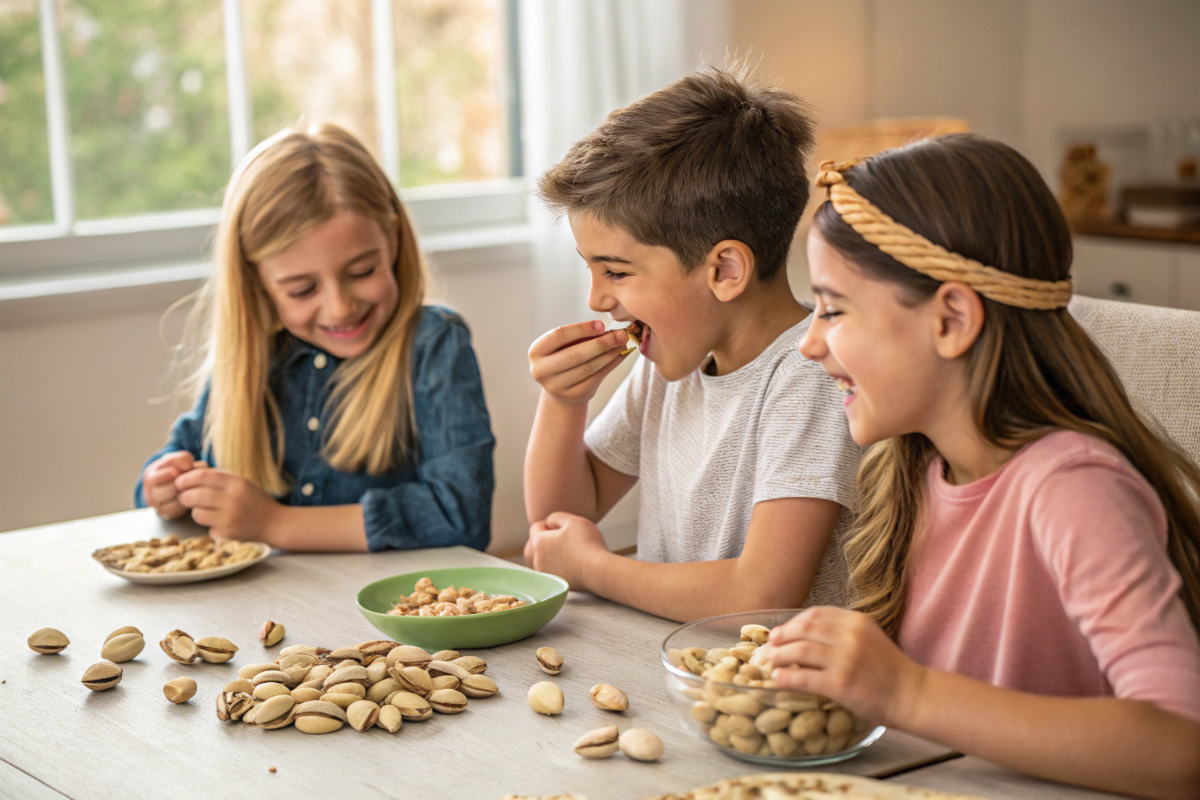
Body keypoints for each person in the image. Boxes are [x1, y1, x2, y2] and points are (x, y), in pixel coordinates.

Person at [768, 135, 1200, 799]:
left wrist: (906, 692)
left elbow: (1181, 747)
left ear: (951, 319)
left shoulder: (1072, 486)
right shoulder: (914, 467)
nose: (809, 343)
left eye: (833, 309)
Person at [522, 66, 861, 621]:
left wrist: (595, 569)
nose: (597, 299)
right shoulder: (669, 364)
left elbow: (761, 595)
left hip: (767, 674)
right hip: (671, 658)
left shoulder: (812, 374)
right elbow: (561, 522)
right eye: (591, 269)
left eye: (616, 272)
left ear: (725, 270)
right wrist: (563, 401)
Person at [135, 123, 495, 553]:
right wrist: (166, 487)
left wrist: (275, 524)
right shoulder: (253, 357)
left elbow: (461, 516)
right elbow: (178, 462)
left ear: (394, 239)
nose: (340, 308)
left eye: (362, 271)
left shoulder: (433, 346)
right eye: (303, 290)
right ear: (256, 283)